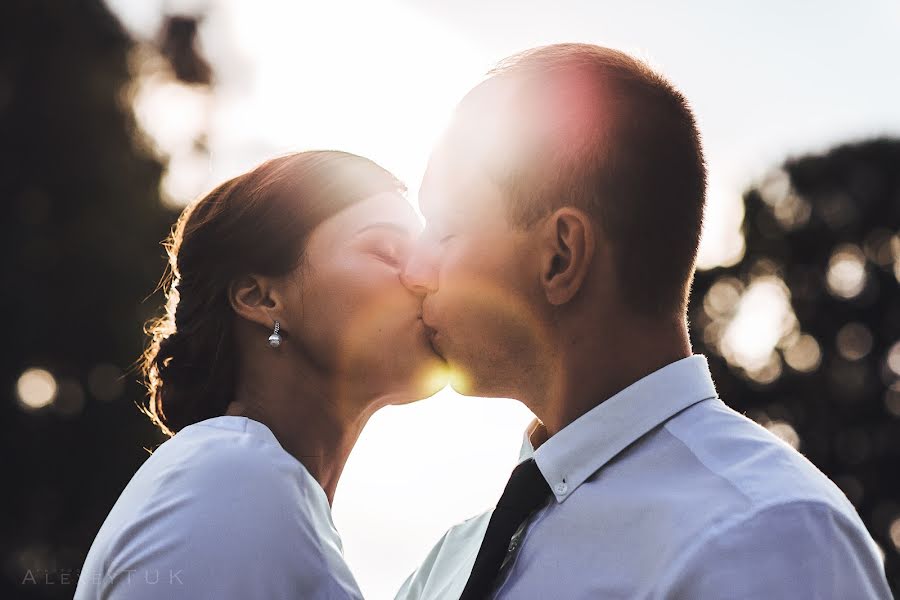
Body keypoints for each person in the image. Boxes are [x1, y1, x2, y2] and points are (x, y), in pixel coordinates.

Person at [396, 44, 892, 599]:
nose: (414, 270)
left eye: (443, 229)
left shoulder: (769, 536)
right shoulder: (445, 567)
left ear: (560, 256)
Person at [75, 150, 446, 599]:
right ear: (260, 298)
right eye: (386, 250)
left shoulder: (258, 491)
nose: (426, 275)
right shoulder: (233, 483)